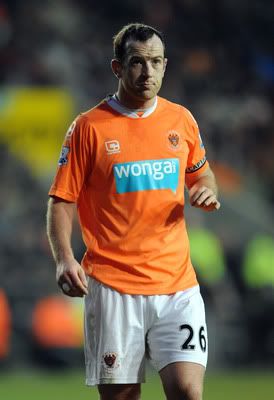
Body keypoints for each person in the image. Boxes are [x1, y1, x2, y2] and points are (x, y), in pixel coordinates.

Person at [47, 23, 220, 400]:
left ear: (165, 65)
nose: (148, 72)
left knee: (189, 393)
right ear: (117, 67)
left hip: (178, 286)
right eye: (137, 62)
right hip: (113, 288)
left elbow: (201, 172)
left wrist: (204, 189)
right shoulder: (88, 128)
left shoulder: (182, 120)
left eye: (155, 62)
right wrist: (64, 259)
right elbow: (62, 200)